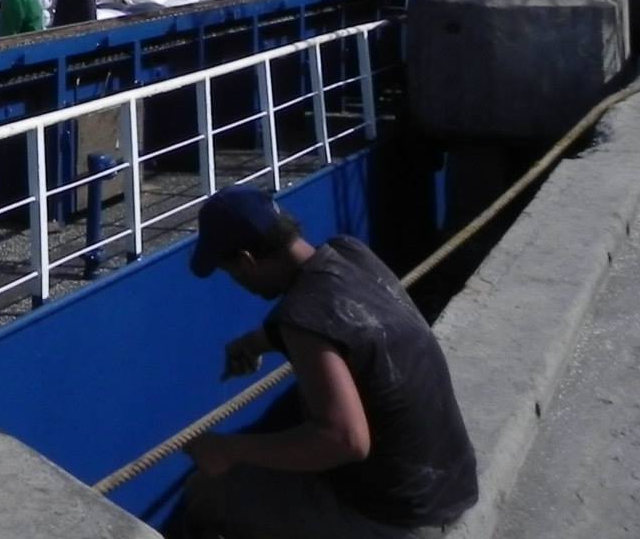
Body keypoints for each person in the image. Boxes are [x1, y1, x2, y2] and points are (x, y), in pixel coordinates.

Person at [176, 189, 477, 539]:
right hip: (450, 488)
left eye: (232, 273)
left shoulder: (301, 317)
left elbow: (344, 440)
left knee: (207, 492)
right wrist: (260, 341)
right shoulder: (351, 253)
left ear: (247, 260)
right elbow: (354, 325)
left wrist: (228, 449)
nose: (239, 283)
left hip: (397, 519)